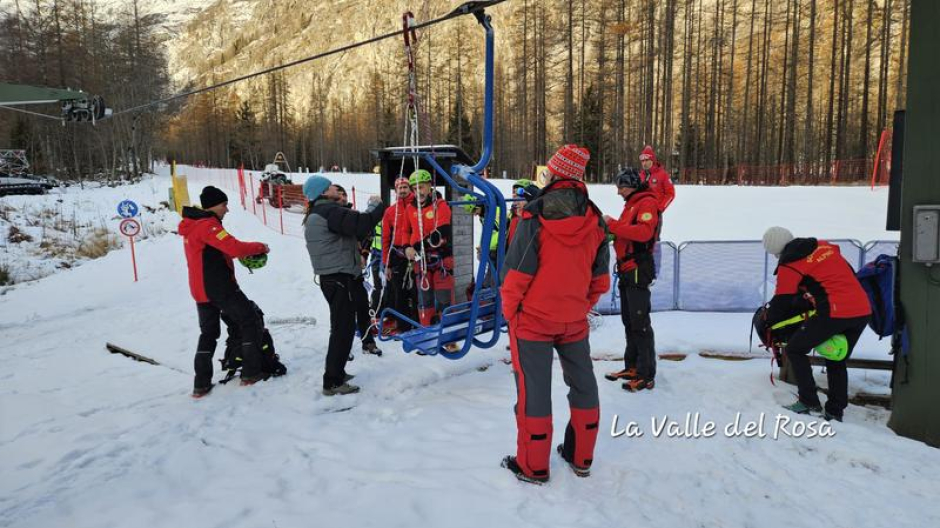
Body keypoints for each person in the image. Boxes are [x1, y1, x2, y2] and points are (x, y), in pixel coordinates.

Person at [499, 145, 610, 485]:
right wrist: (578, 305)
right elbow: (600, 279)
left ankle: (533, 466)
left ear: (555, 174)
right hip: (574, 321)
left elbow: (515, 276)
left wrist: (511, 315)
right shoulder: (595, 218)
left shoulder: (534, 216)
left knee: (534, 391)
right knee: (583, 384)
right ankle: (581, 456)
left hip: (532, 321)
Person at [763, 227, 872, 422]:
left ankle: (808, 401)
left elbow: (782, 300)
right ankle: (835, 411)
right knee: (836, 357)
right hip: (862, 310)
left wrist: (768, 321)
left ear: (776, 251)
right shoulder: (823, 247)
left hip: (835, 311)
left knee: (795, 349)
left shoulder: (789, 264)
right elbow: (844, 273)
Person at [178, 186, 271, 398]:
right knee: (249, 320)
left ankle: (200, 384)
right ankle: (251, 372)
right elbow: (234, 248)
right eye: (224, 205)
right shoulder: (207, 225)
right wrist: (260, 247)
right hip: (218, 287)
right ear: (213, 205)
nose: (227, 209)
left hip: (200, 289)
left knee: (209, 334)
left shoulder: (192, 225)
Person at [303, 174, 385, 396]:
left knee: (343, 326)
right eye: (330, 187)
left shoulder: (321, 211)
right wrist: (378, 206)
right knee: (343, 329)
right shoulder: (328, 211)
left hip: (336, 278)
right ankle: (332, 381)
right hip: (339, 278)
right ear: (322, 192)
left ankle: (336, 372)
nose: (335, 190)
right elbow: (361, 224)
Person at [602, 167, 660, 392]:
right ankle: (633, 366)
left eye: (621, 187)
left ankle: (646, 374)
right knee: (629, 321)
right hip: (627, 267)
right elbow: (628, 231)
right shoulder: (632, 203)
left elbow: (644, 233)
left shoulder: (646, 203)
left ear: (632, 186)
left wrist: (613, 225)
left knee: (640, 323)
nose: (618, 192)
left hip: (638, 267)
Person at [332, 184, 382, 355]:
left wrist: (363, 254)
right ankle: (340, 349)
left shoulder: (352, 215)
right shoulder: (332, 217)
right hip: (337, 272)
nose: (343, 199)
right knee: (341, 312)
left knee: (362, 306)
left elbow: (365, 235)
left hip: (354, 271)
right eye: (339, 196)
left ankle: (368, 342)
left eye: (344, 196)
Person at [404, 169, 455, 330]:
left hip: (440, 259)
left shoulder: (440, 205)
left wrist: (417, 246)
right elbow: (405, 231)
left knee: (443, 299)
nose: (418, 192)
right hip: (421, 262)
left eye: (421, 187)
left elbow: (441, 232)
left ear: (430, 186)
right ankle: (426, 331)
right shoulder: (410, 208)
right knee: (424, 299)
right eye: (415, 188)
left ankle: (446, 335)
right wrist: (406, 247)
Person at [380, 177, 417, 333]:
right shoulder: (390, 211)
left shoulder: (417, 207)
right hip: (397, 256)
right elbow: (385, 239)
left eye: (405, 187)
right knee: (399, 293)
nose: (402, 190)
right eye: (399, 188)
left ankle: (418, 324)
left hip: (416, 254)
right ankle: (403, 327)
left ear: (410, 189)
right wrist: (386, 264)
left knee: (417, 292)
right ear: (395, 191)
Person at [639, 145, 675, 212]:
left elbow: (670, 194)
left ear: (652, 160)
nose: (644, 163)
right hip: (640, 212)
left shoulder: (663, 174)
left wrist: (660, 208)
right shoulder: (640, 175)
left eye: (646, 160)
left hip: (655, 213)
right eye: (642, 161)